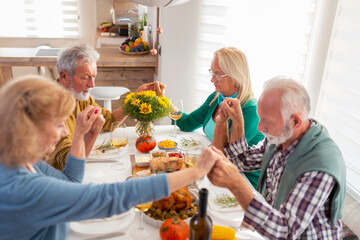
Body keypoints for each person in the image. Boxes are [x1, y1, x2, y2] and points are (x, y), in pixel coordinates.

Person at [0, 75, 218, 240]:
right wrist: (196, 171)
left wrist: (86, 134)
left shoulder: (23, 163)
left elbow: (70, 182)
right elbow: (111, 196)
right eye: (59, 125)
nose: (64, 131)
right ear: (29, 129)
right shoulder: (23, 189)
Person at [208, 76, 346, 239]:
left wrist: (237, 184)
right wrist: (237, 119)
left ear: (295, 121)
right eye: (260, 118)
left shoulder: (320, 165)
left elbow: (284, 232)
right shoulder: (281, 136)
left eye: (267, 121)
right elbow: (242, 161)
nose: (260, 128)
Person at [49, 42, 165, 170]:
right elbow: (69, 164)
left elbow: (110, 121)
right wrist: (91, 134)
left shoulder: (78, 96)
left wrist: (135, 99)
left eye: (94, 77)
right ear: (64, 76)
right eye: (85, 78)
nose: (92, 85)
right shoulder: (50, 109)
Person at [174, 47, 263, 188]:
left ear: (236, 76)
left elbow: (227, 156)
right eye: (212, 72)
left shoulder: (251, 110)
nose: (212, 79)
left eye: (218, 74)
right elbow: (187, 123)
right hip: (216, 167)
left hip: (243, 181)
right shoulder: (216, 97)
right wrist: (162, 103)